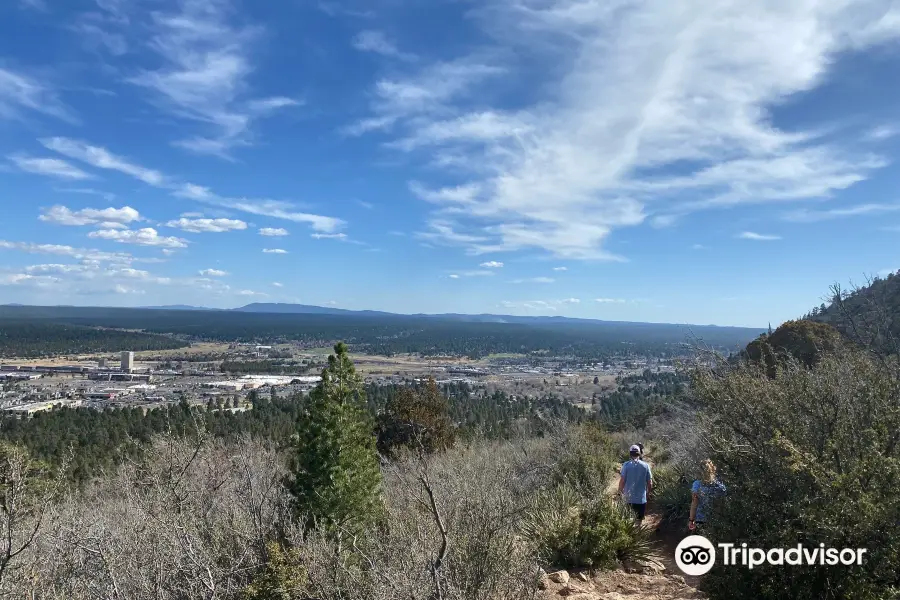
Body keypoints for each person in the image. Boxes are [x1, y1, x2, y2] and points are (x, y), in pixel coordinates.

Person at [689, 459, 727, 531]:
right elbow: (721, 504)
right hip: (716, 520)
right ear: (712, 469)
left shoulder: (697, 485)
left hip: (701, 520)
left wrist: (691, 520)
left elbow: (694, 503)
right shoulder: (719, 486)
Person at [619, 444, 653, 523]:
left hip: (628, 499)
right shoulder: (646, 466)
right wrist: (648, 493)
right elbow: (650, 483)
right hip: (641, 500)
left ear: (630, 454)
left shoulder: (626, 465)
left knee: (628, 521)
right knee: (638, 521)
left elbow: (622, 481)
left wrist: (620, 492)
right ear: (639, 453)